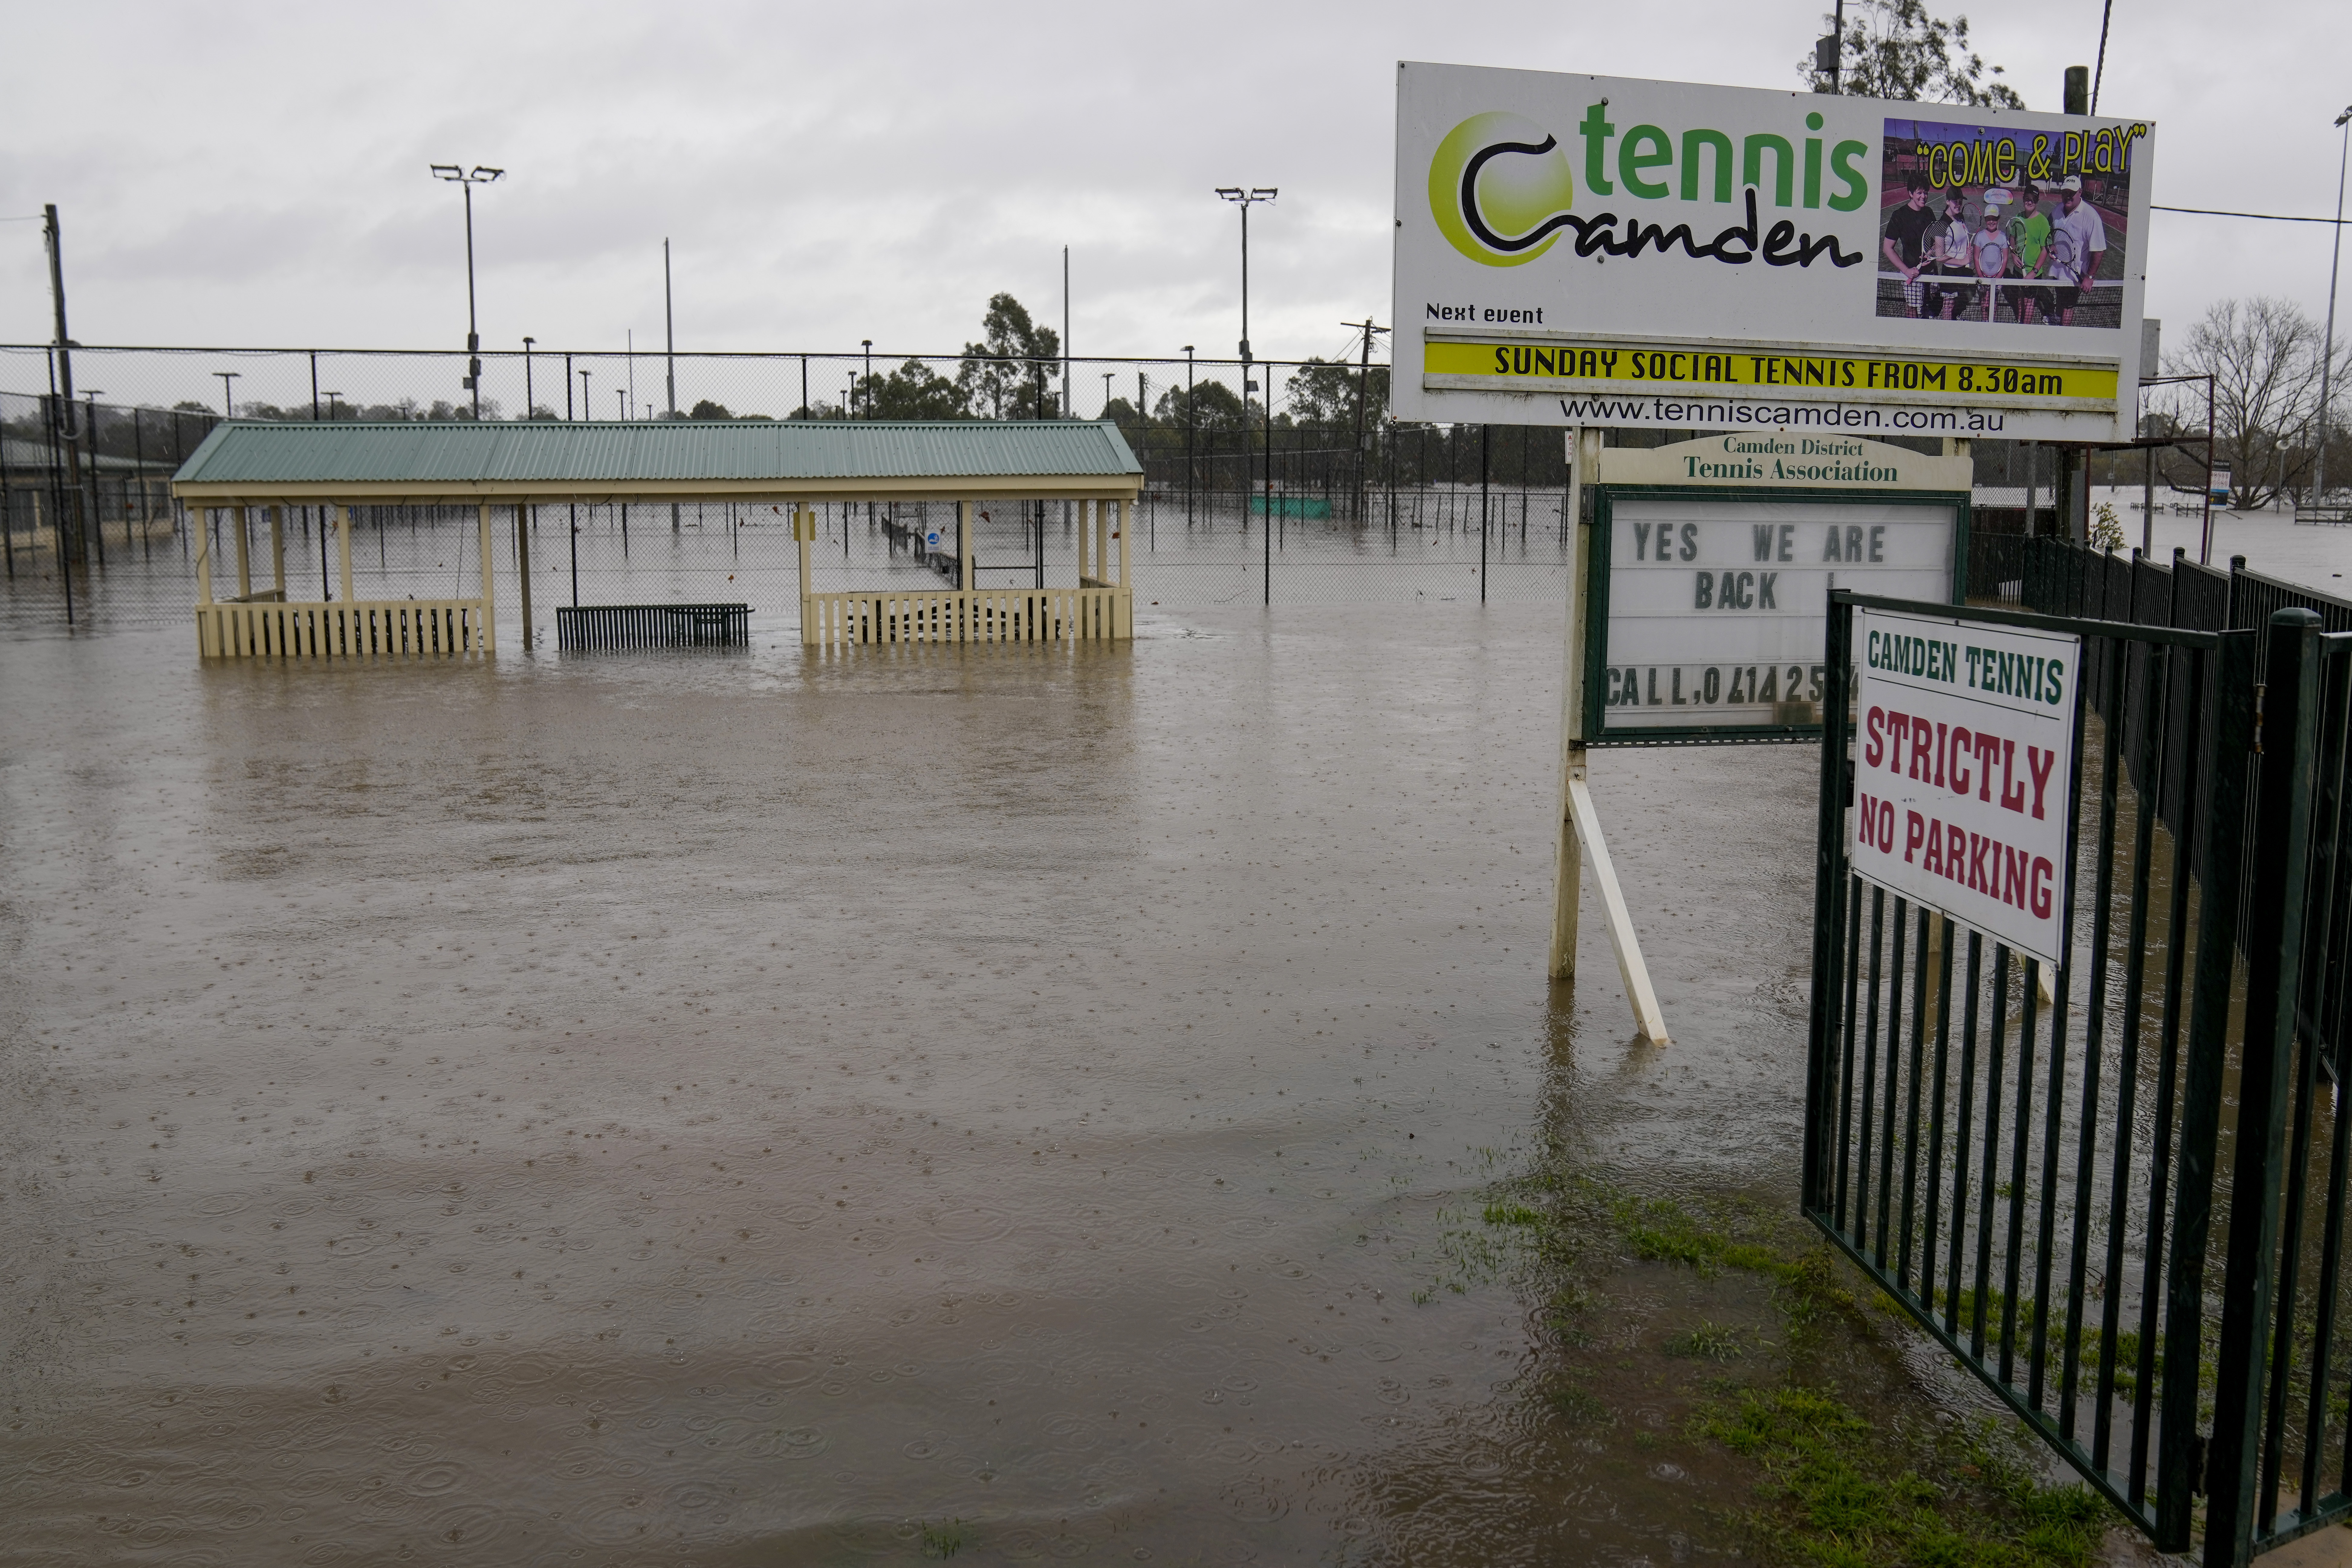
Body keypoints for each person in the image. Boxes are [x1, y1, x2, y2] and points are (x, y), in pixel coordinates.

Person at [2048, 176, 2109, 326]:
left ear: (2080, 192)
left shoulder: (2091, 217)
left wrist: (2090, 276)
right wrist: (2050, 245)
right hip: (2058, 269)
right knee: (2060, 298)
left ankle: (2064, 334)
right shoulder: (2057, 210)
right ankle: (2057, 319)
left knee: (2068, 306)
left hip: (2074, 276)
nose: (2068, 196)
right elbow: (2048, 230)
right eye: (2065, 192)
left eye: (2072, 193)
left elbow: (2099, 250)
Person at [1881, 174, 1937, 317]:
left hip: (1930, 272)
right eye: (1919, 193)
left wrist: (1932, 253)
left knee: (1927, 306)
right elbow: (1887, 248)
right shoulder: (1899, 216)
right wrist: (1907, 271)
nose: (1923, 196)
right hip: (1911, 272)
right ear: (1911, 194)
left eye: (1926, 192)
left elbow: (1936, 241)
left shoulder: (1929, 213)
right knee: (1912, 308)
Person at [2010, 182, 2055, 324]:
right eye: (2028, 198)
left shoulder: (2043, 222)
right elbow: (2012, 238)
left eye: (2034, 200)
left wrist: (2034, 272)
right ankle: (2019, 321)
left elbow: (2044, 251)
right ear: (2024, 198)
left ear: (2037, 202)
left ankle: (2025, 328)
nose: (2030, 202)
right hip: (2018, 270)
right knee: (2019, 297)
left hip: (2034, 273)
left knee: (2029, 302)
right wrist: (2013, 254)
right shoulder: (2018, 217)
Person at [1971, 189, 2013, 322]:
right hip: (1983, 278)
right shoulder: (1980, 236)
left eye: (1994, 219)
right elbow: (1976, 258)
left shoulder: (2002, 237)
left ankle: (1992, 322)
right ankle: (1986, 322)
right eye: (1989, 219)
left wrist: (1998, 278)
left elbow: (2005, 258)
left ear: (1998, 219)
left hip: (1997, 279)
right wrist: (1981, 277)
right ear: (1985, 219)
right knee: (1984, 301)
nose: (1991, 221)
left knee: (1994, 302)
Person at [1931, 191, 1972, 319]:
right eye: (1955, 202)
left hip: (1961, 271)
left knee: (1956, 302)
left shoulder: (1960, 218)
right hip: (1950, 272)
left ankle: (1953, 322)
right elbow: (1940, 256)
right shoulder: (1942, 225)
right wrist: (1962, 261)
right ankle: (1946, 332)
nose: (1959, 205)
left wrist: (1967, 252)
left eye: (1960, 202)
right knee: (1948, 305)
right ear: (1948, 202)